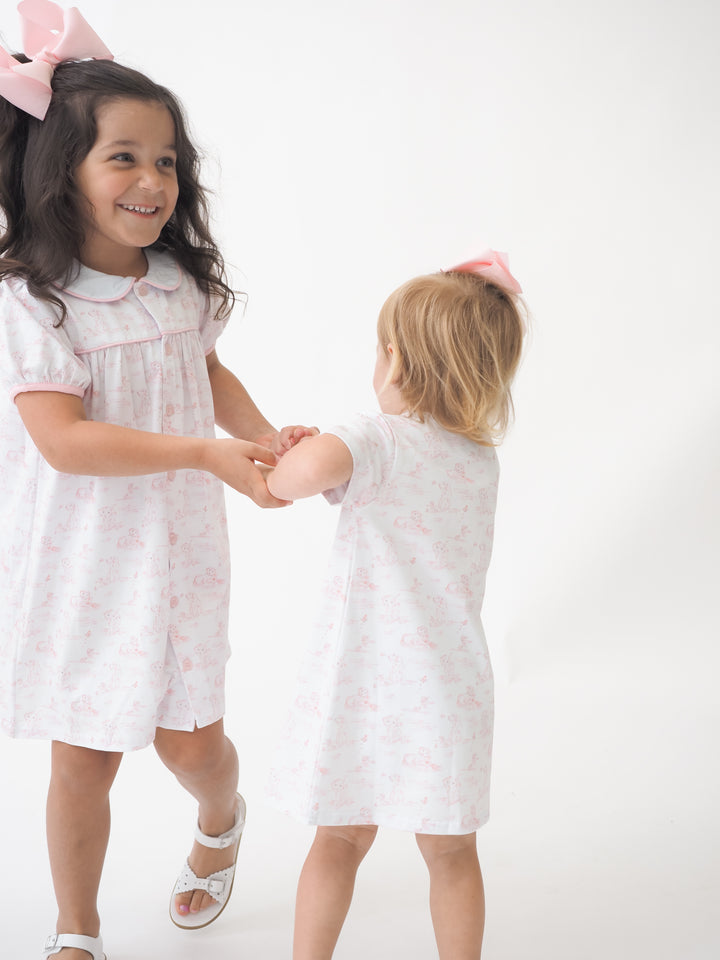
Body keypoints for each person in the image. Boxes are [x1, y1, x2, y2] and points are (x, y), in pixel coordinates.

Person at [0, 3, 314, 959]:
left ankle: (222, 816)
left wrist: (259, 438)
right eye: (124, 158)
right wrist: (203, 456)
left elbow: (205, 373)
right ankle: (77, 929)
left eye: (167, 160)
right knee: (83, 758)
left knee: (193, 747)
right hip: (86, 564)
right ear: (62, 171)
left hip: (181, 556)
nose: (152, 181)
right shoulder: (34, 302)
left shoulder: (181, 282)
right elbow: (64, 441)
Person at [265, 251, 526, 960]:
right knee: (452, 852)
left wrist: (297, 450)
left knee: (339, 838)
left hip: (366, 682)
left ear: (398, 364)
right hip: (449, 686)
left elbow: (292, 480)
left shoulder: (376, 440)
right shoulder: (477, 459)